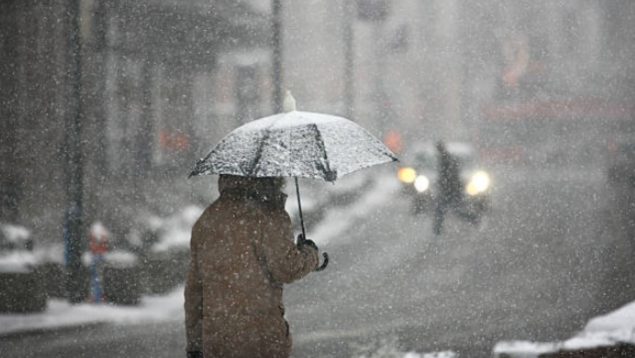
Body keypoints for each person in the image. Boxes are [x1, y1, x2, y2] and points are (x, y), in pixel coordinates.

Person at [184, 175, 320, 358]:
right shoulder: (270, 215)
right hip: (260, 336)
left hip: (216, 338)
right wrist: (309, 253)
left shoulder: (207, 219)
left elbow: (194, 290)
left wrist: (194, 344)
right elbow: (287, 268)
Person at [433, 141, 462, 235]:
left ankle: (437, 230)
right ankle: (437, 229)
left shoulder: (445, 159)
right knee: (453, 209)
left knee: (442, 209)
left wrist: (443, 184)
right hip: (450, 189)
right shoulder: (446, 158)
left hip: (449, 190)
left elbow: (448, 175)